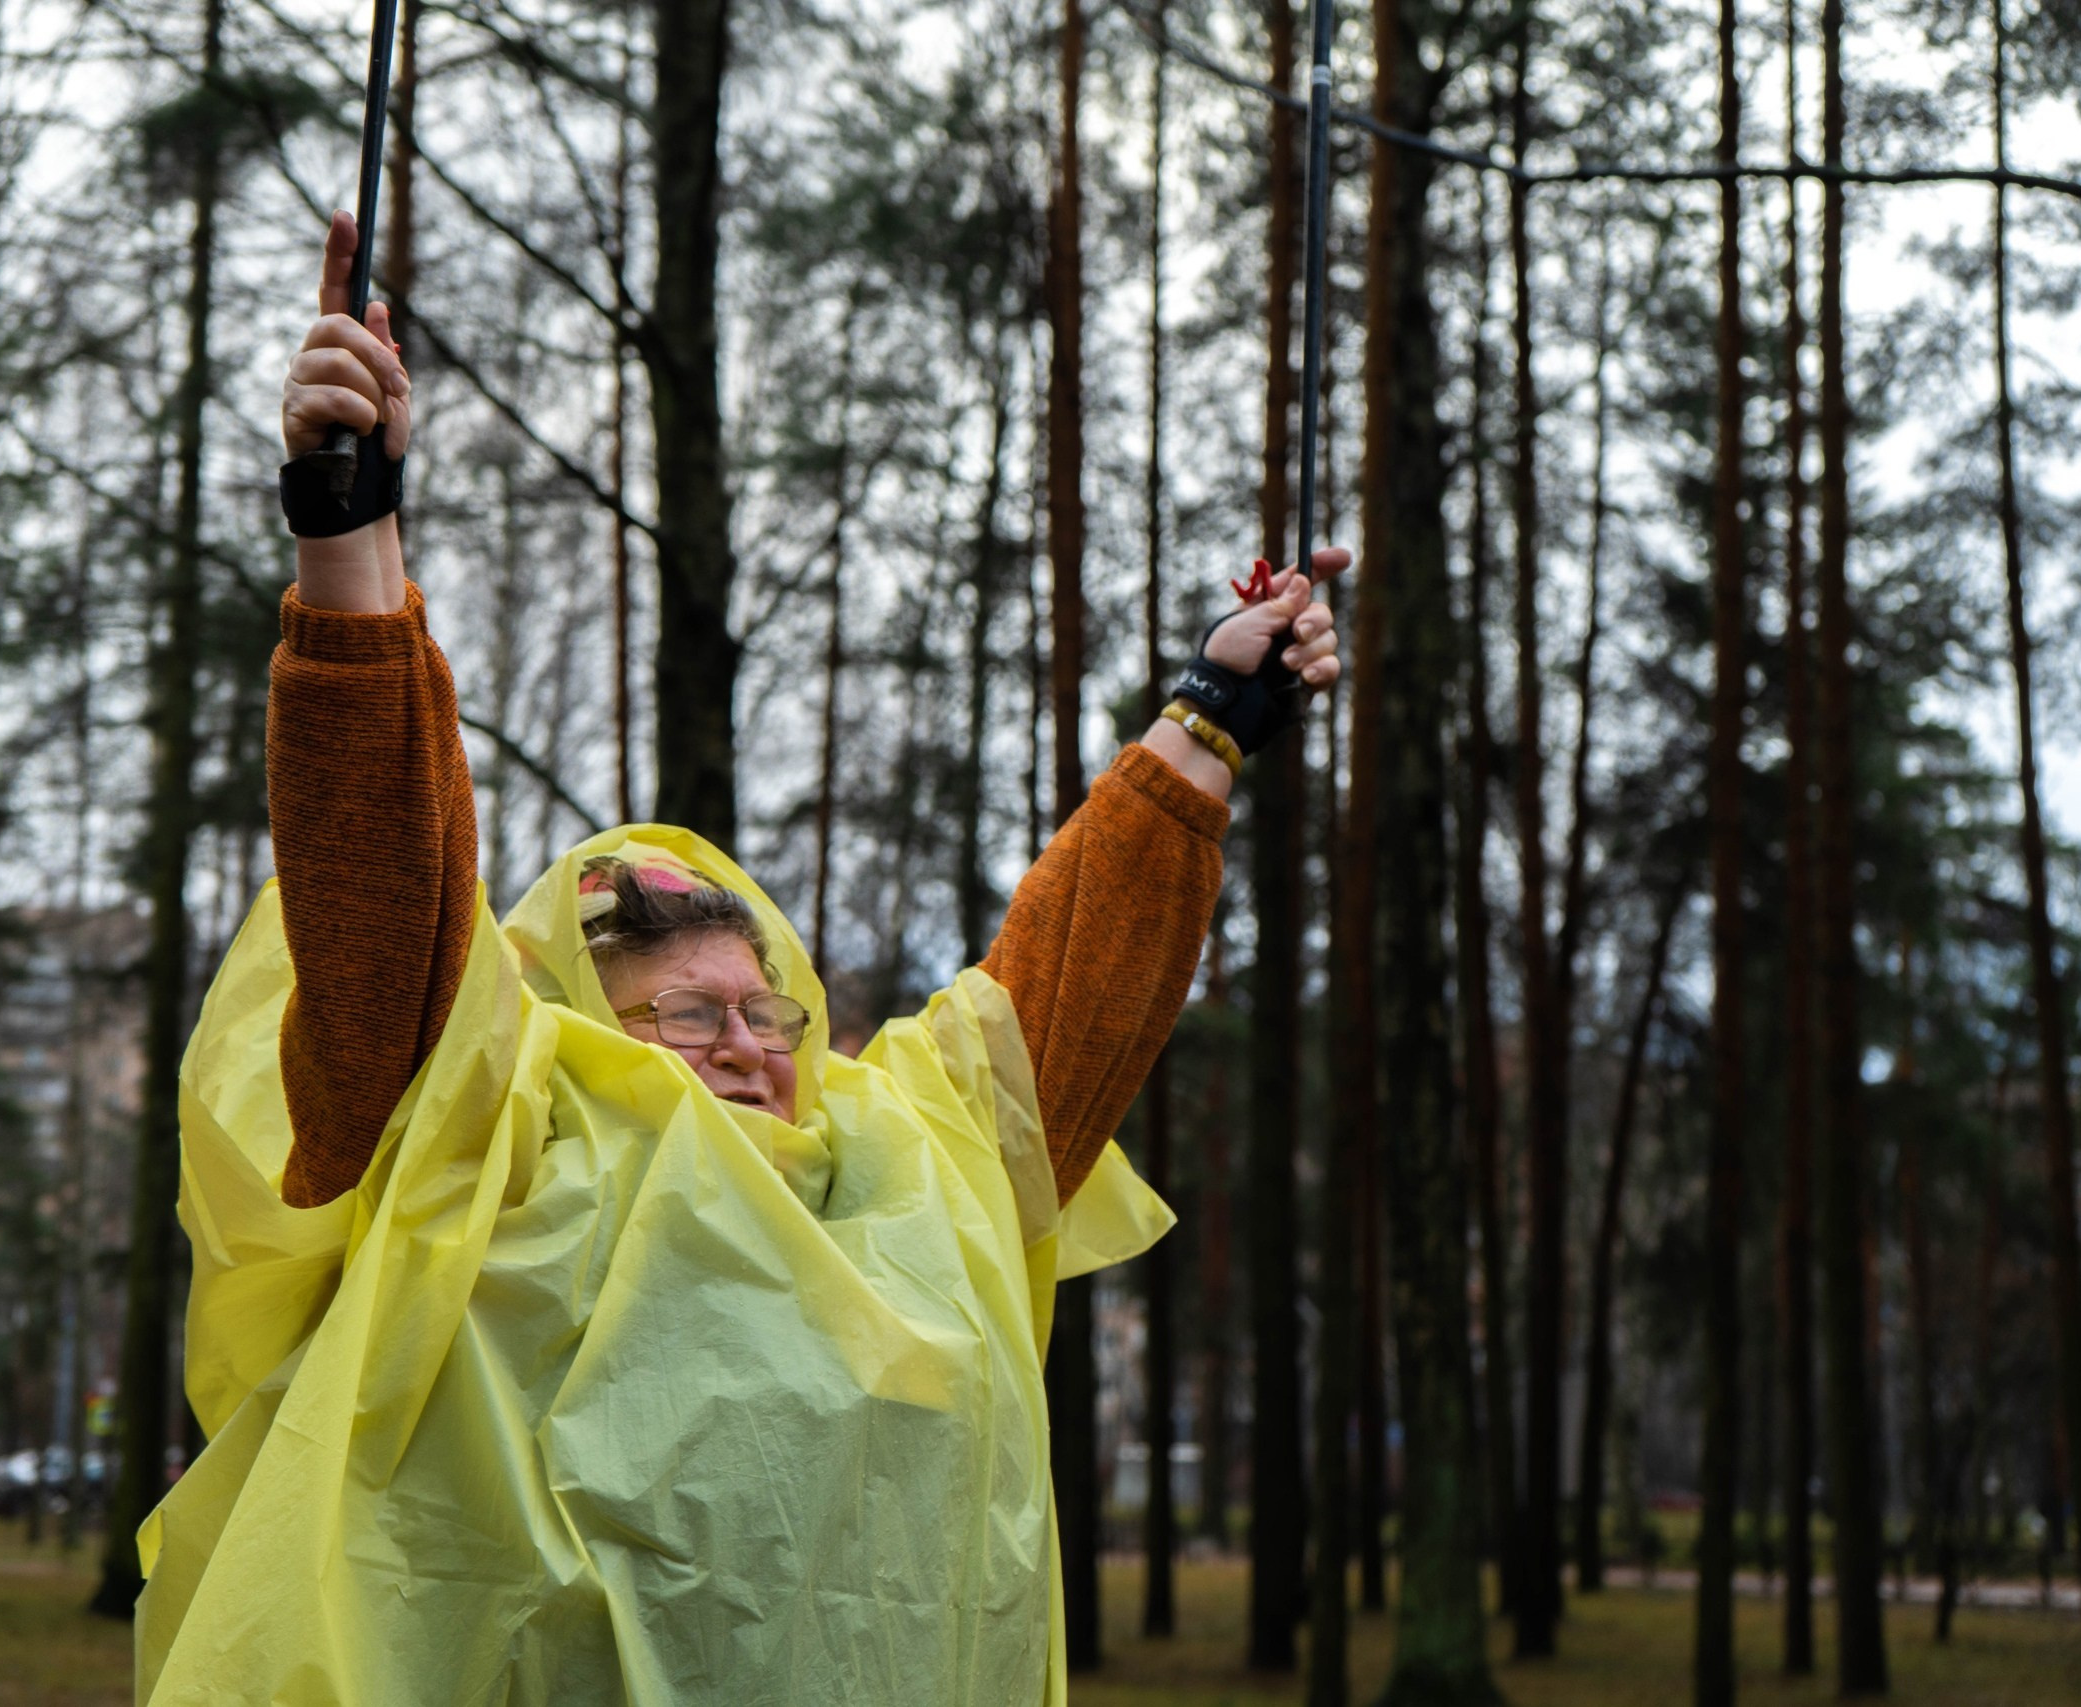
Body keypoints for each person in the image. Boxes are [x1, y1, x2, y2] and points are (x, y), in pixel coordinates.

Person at [131, 213, 1344, 1707]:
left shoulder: (903, 1173)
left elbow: (1068, 993)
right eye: (686, 1016)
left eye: (767, 1009)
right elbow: (383, 897)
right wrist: (348, 525)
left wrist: (1210, 716)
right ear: (571, 1034)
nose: (748, 1045)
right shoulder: (488, 1146)